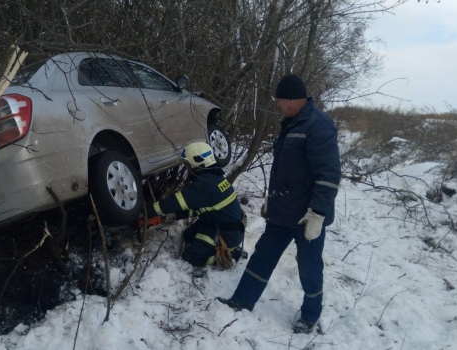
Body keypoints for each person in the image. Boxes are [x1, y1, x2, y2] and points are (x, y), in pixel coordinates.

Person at [216, 74, 341, 334]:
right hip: (282, 213)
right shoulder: (293, 123)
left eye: (281, 101)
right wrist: (270, 202)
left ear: (294, 100)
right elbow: (285, 171)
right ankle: (241, 301)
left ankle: (309, 315)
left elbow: (328, 176)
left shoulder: (319, 125)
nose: (279, 106)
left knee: (309, 267)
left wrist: (317, 213)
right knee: (262, 256)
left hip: (307, 216)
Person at [145, 142, 246, 272]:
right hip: (217, 223)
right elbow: (198, 208)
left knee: (190, 256)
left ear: (198, 164)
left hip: (225, 233)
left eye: (188, 164)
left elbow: (175, 202)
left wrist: (147, 210)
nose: (188, 168)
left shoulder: (204, 185)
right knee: (187, 236)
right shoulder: (214, 178)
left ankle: (230, 255)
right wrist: (174, 215)